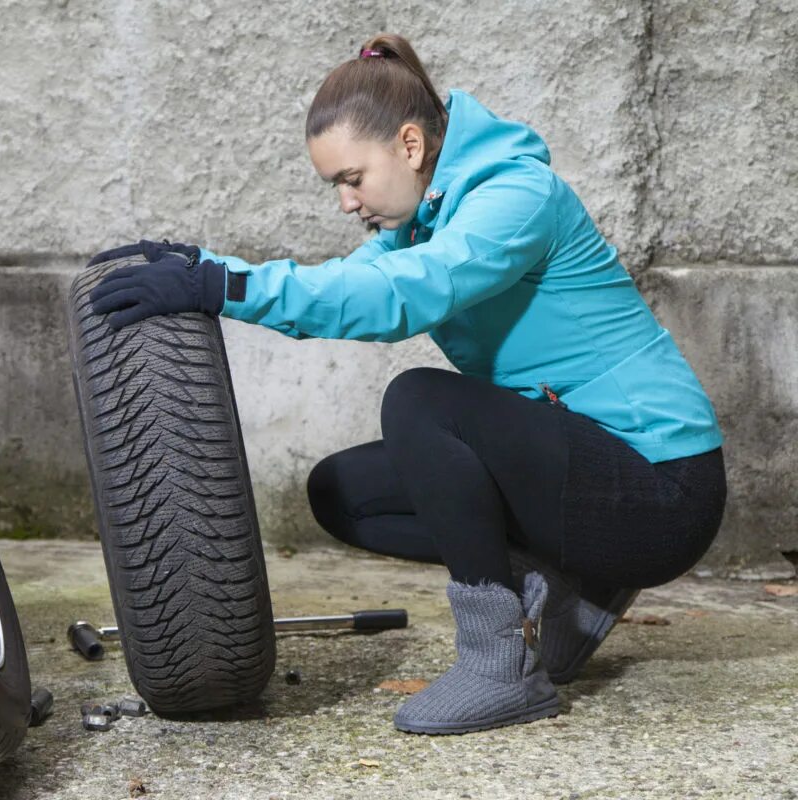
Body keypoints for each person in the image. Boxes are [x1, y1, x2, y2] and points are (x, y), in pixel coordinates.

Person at [86, 33, 727, 735]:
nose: (345, 202)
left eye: (350, 179)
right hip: (582, 468)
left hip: (662, 489)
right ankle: (578, 588)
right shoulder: (422, 222)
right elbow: (356, 279)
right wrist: (199, 263)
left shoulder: (516, 197)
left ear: (412, 146)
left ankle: (499, 665)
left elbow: (405, 294)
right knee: (343, 493)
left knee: (420, 401)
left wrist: (221, 286)